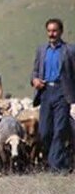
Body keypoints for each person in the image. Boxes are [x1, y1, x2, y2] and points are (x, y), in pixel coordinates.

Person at [31, 18, 75, 173]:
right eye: (49, 31)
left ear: (61, 32)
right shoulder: (42, 50)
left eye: (55, 31)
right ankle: (61, 162)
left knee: (60, 129)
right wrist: (35, 80)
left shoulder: (70, 50)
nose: (52, 34)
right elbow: (35, 71)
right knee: (44, 131)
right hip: (45, 92)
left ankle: (55, 167)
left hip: (62, 92)